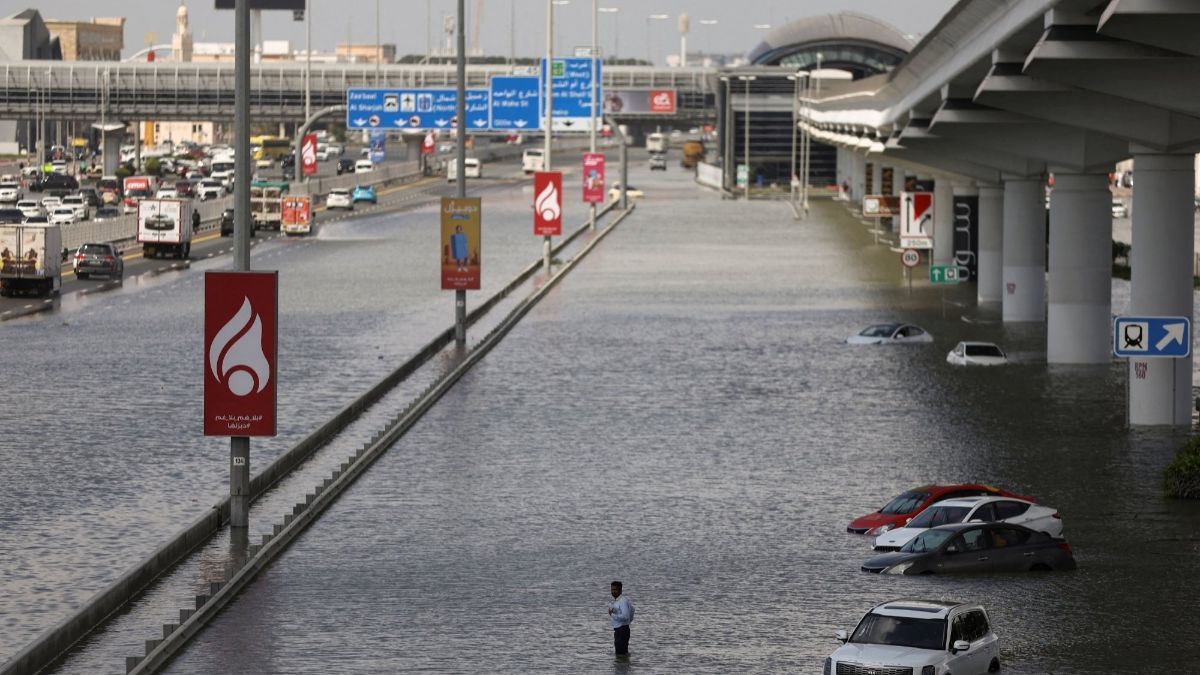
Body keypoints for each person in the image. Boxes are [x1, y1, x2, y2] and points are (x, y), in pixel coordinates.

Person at [607, 581, 634, 656]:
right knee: (622, 655)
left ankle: (623, 667)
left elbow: (625, 616)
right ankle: (625, 667)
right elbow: (632, 610)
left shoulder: (622, 601)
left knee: (620, 655)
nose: (613, 592)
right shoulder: (619, 601)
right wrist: (628, 622)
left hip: (622, 630)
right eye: (612, 590)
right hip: (622, 629)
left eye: (615, 590)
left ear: (620, 590)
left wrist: (612, 615)